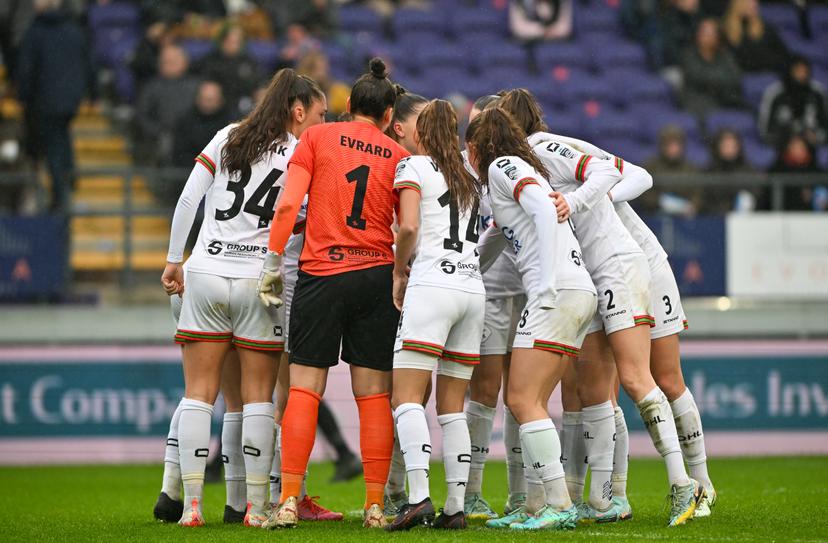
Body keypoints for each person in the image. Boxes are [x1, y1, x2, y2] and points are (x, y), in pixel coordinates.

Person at [502, 89, 705, 526]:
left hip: (620, 263)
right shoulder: (525, 166)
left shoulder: (542, 148)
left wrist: (575, 203)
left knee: (638, 378)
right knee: (594, 389)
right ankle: (603, 498)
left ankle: (685, 484)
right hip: (592, 273)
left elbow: (616, 173)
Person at [160, 68, 327, 527]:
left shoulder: (228, 136)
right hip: (261, 280)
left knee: (198, 394)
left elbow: (188, 198)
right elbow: (299, 219)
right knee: (257, 398)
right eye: (319, 113)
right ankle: (255, 508)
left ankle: (191, 507)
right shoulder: (301, 152)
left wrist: (176, 258)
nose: (321, 122)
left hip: (208, 271)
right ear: (297, 110)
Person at [258, 58, 409, 530]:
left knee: (304, 388)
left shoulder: (316, 138)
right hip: (375, 275)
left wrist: (272, 261)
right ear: (388, 116)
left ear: (347, 105)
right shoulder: (398, 155)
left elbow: (287, 205)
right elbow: (408, 227)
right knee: (373, 395)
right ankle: (375, 506)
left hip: (322, 273)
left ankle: (286, 501)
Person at [466, 107, 597, 531]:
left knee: (521, 399)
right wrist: (461, 269)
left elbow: (543, 209)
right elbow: (495, 240)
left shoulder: (504, 165)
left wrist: (542, 282)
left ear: (476, 147)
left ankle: (558, 505)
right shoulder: (517, 169)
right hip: (577, 291)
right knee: (531, 402)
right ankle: (538, 504)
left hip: (555, 292)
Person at [385, 99, 484, 531]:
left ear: (421, 133)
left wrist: (398, 269)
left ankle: (419, 498)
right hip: (472, 289)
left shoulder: (414, 167)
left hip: (431, 284)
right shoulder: (471, 175)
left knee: (406, 397)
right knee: (452, 407)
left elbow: (407, 228)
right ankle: (455, 507)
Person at [460, 94, 531, 522]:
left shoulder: (515, 170)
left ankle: (520, 495)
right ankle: (470, 493)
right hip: (486, 294)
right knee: (484, 393)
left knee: (523, 396)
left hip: (522, 293)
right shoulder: (465, 174)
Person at [380, 88, 429, 519]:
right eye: (421, 122)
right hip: (389, 280)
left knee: (406, 393)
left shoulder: (422, 167)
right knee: (394, 392)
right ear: (400, 127)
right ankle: (391, 487)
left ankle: (395, 487)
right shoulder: (402, 165)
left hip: (415, 284)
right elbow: (405, 226)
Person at [16, 0, 92, 214]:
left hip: (45, 101)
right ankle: (69, 176)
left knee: (53, 146)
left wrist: (24, 97)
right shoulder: (74, 29)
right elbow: (88, 61)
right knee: (61, 135)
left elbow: (26, 69)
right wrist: (91, 92)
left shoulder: (36, 31)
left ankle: (61, 194)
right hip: (70, 100)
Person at [135, 44, 199, 165]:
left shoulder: (197, 86)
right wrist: (159, 132)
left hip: (193, 140)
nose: (170, 64)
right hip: (161, 139)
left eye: (174, 60)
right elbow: (142, 117)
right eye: (166, 61)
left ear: (185, 62)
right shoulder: (151, 87)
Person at [759, 55, 828, 148]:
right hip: (782, 147)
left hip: (813, 146)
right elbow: (765, 130)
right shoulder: (775, 93)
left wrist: (817, 137)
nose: (802, 75)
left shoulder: (817, 93)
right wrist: (788, 139)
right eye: (798, 71)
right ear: (790, 71)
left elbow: (825, 125)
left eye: (805, 71)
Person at [679, 18, 744, 117]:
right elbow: (697, 77)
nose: (704, 36)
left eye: (710, 33)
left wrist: (716, 82)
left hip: (726, 98)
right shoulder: (688, 54)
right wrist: (721, 80)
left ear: (718, 37)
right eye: (702, 32)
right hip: (698, 100)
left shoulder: (725, 55)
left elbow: (736, 78)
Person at [196, 24, 261, 115]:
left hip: (244, 105)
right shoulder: (211, 60)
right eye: (230, 41)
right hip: (217, 106)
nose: (233, 45)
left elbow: (258, 83)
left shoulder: (249, 62)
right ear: (222, 41)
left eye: (237, 42)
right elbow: (205, 83)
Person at [643, 125, 702, 216]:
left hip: (686, 218)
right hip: (655, 216)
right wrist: (660, 202)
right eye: (669, 145)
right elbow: (644, 193)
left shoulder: (691, 168)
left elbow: (698, 193)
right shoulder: (651, 166)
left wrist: (692, 205)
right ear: (662, 146)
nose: (673, 149)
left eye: (676, 145)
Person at [722, 0, 789, 73]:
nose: (754, 5)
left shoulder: (765, 27)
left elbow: (782, 52)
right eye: (748, 3)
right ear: (738, 5)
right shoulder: (727, 31)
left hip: (770, 72)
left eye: (754, 3)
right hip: (743, 77)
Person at [769, 133, 824, 211]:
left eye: (801, 147)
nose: (798, 150)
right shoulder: (780, 167)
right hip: (786, 211)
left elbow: (821, 184)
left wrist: (812, 192)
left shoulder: (813, 167)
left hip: (812, 213)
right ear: (789, 148)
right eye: (795, 147)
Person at [705, 128, 755, 213]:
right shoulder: (709, 171)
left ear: (738, 148)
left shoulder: (748, 170)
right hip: (715, 217)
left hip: (743, 219)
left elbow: (754, 194)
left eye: (732, 146)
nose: (729, 150)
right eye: (725, 146)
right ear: (718, 147)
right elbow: (706, 199)